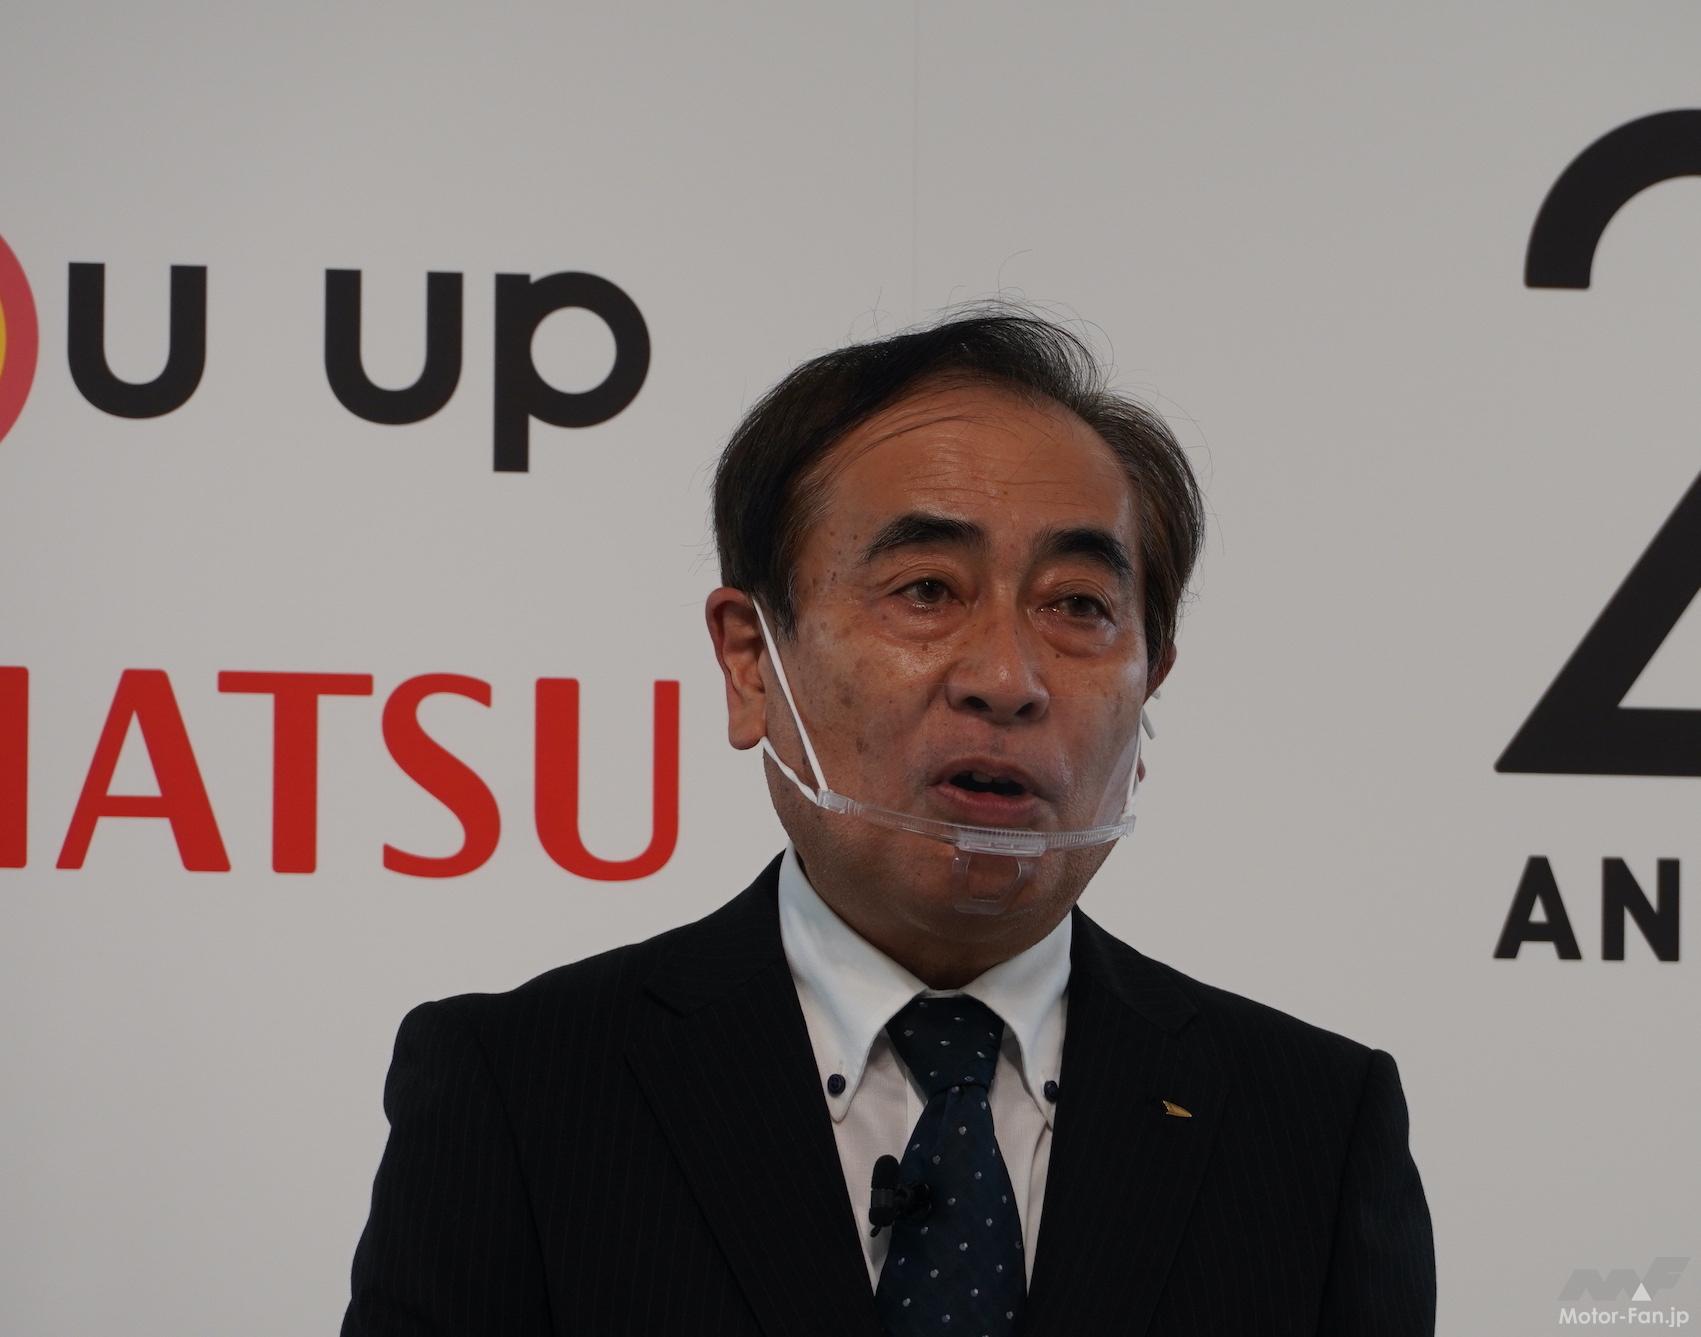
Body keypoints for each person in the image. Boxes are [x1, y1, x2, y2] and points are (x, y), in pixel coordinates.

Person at [341, 309, 1437, 1336]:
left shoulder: (1312, 1126)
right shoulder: (519, 1091)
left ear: (1151, 681)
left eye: (1078, 606)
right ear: (750, 663)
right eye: (925, 590)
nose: (1006, 678)